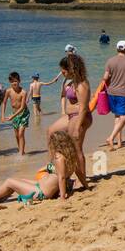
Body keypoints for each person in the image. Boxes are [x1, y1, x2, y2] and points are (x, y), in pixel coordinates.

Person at [0, 131, 85, 205]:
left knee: (9, 181)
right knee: (18, 180)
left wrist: (62, 197)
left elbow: (62, 178)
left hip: (41, 193)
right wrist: (86, 186)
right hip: (41, 187)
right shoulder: (71, 157)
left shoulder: (59, 158)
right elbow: (79, 173)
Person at [48, 52, 92, 188]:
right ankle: (55, 167)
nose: (61, 72)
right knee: (51, 132)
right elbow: (65, 97)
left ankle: (81, 178)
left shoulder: (81, 85)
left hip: (80, 118)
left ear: (71, 69)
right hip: (70, 117)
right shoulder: (71, 82)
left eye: (63, 69)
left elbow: (84, 108)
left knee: (76, 148)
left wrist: (78, 127)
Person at [1, 71, 31, 156]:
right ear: (10, 82)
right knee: (17, 135)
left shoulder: (23, 92)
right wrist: (2, 115)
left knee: (21, 133)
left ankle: (21, 153)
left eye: (16, 81)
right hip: (14, 114)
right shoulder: (8, 91)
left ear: (19, 81)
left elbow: (22, 108)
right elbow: (4, 103)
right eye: (12, 82)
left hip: (23, 113)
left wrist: (12, 117)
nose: (14, 83)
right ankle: (21, 150)